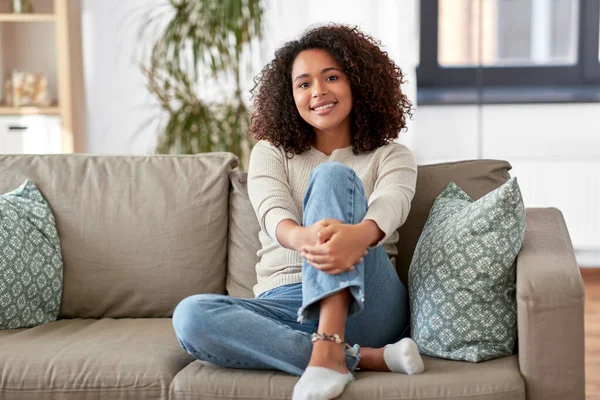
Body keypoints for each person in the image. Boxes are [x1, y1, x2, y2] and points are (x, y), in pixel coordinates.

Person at [172, 24, 425, 400]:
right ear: (289, 97)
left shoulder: (392, 156)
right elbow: (272, 211)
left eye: (332, 77)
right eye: (303, 84)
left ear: (359, 82)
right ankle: (357, 358)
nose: (318, 92)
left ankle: (328, 350)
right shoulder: (271, 152)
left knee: (331, 176)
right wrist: (303, 238)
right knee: (190, 317)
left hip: (368, 301)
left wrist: (361, 235)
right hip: (287, 305)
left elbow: (392, 203)